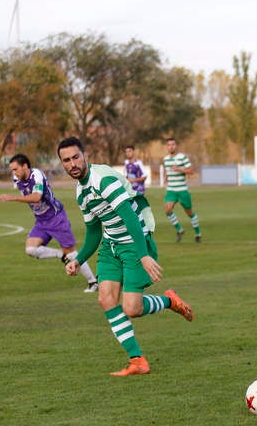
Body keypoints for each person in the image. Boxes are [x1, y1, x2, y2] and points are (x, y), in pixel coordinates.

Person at [57, 137, 195, 376]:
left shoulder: (103, 180)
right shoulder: (81, 192)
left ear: (85, 155)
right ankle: (137, 360)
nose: (72, 164)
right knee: (106, 299)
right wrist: (78, 259)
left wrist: (143, 255)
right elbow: (93, 231)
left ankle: (170, 301)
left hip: (134, 242)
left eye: (75, 157)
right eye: (66, 160)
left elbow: (129, 218)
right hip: (111, 245)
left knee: (132, 308)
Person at [0, 153, 98, 293]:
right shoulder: (17, 178)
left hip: (56, 218)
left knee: (71, 252)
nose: (13, 173)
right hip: (41, 221)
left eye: (15, 169)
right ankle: (60, 255)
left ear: (25, 166)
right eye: (12, 170)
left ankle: (93, 282)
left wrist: (13, 198)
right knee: (31, 249)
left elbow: (37, 197)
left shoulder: (37, 175)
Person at [163, 137, 201, 242]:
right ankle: (179, 230)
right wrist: (166, 177)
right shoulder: (166, 159)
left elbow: (191, 171)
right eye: (169, 145)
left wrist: (179, 169)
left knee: (189, 213)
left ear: (176, 146)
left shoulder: (182, 157)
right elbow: (168, 170)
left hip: (182, 190)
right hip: (171, 190)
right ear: (167, 147)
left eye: (173, 144)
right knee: (167, 210)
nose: (171, 147)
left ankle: (198, 233)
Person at [124, 145, 156, 232]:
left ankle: (145, 226)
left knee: (139, 208)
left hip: (139, 190)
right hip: (130, 190)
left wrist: (134, 180)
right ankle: (138, 226)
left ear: (133, 151)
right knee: (132, 208)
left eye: (130, 151)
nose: (128, 153)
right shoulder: (126, 163)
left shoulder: (138, 163)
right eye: (126, 151)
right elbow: (126, 176)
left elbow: (145, 176)